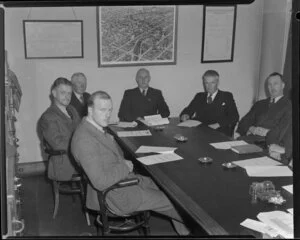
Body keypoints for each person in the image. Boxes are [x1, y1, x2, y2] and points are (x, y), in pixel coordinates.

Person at [71, 91, 190, 235]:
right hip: (117, 195)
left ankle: (187, 232)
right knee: (177, 204)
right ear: (90, 110)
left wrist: (110, 142)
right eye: (102, 110)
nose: (107, 114)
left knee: (169, 190)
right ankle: (200, 229)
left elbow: (112, 157)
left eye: (110, 110)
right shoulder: (85, 139)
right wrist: (125, 166)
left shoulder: (93, 129)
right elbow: (100, 181)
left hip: (123, 182)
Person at [38, 77, 80, 181]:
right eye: (63, 92)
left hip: (79, 156)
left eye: (69, 93)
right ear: (54, 93)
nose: (67, 96)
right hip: (65, 163)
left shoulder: (72, 109)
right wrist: (84, 145)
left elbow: (82, 130)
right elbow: (58, 144)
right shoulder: (48, 117)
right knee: (101, 166)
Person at [236, 72, 292, 146]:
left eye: (275, 84)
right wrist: (252, 128)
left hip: (270, 143)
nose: (272, 87)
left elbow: (285, 130)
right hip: (250, 140)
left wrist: (267, 132)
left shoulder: (289, 105)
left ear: (283, 85)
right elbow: (244, 121)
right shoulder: (259, 104)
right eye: (269, 84)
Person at [179, 70, 239, 137]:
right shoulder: (199, 96)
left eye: (212, 83)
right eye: (206, 83)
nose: (209, 86)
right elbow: (189, 109)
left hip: (218, 131)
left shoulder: (226, 96)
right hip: (200, 131)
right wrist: (185, 115)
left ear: (217, 83)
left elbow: (234, 116)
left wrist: (217, 124)